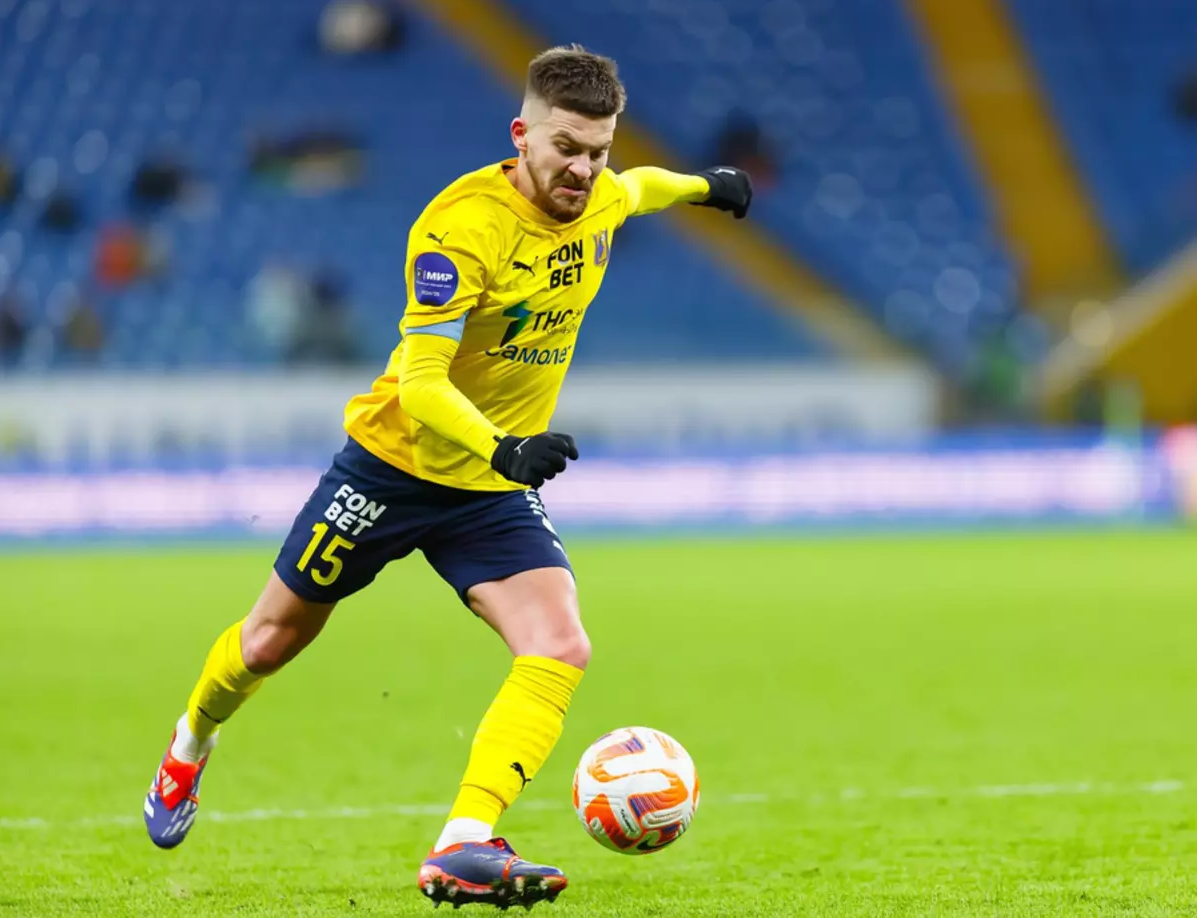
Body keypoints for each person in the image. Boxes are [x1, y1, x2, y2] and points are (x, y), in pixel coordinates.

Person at [141, 44, 751, 910]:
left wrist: (704, 187)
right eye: (566, 148)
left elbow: (640, 187)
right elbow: (423, 384)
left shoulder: (602, 195)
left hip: (488, 491)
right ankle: (189, 744)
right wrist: (504, 448)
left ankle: (465, 841)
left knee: (561, 645)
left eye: (598, 150)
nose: (583, 171)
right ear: (521, 135)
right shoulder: (459, 228)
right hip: (395, 466)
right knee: (270, 641)